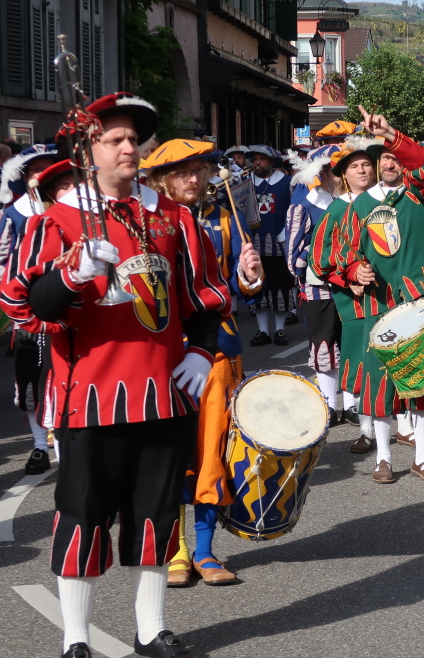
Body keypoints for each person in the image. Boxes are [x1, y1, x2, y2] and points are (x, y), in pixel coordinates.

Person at [0, 93, 229, 658]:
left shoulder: (173, 217)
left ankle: (150, 630)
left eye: (134, 139)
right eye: (115, 140)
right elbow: (30, 306)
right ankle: (75, 637)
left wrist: (200, 351)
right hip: (91, 395)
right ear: (87, 149)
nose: (129, 148)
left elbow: (202, 297)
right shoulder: (56, 220)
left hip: (164, 392)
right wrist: (75, 274)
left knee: (155, 513)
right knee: (83, 512)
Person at [142, 139, 263, 588]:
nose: (194, 179)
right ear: (160, 178)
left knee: (213, 453)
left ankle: (207, 550)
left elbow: (236, 288)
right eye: (183, 171)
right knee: (170, 455)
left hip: (218, 352)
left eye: (201, 169)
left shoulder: (225, 221)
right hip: (164, 356)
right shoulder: (145, 223)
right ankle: (174, 550)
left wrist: (250, 278)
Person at [331, 108, 424, 483]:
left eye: (396, 157)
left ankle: (421, 456)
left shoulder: (421, 193)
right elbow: (344, 252)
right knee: (379, 381)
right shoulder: (359, 206)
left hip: (417, 299)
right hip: (377, 302)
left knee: (423, 378)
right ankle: (383, 458)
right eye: (383, 158)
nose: (390, 163)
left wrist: (393, 134)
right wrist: (354, 270)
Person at [0, 144, 59, 470]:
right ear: (25, 177)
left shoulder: (72, 211)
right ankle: (40, 444)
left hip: (73, 313)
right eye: (35, 170)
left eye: (48, 169)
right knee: (32, 380)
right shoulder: (9, 217)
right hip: (29, 317)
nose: (42, 175)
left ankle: (67, 447)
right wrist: (25, 300)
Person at [285, 142, 368, 446]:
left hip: (350, 284)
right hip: (317, 284)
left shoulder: (353, 201)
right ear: (321, 171)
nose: (336, 173)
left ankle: (351, 405)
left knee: (350, 342)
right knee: (323, 343)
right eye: (331, 168)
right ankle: (328, 405)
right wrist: (319, 259)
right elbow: (291, 254)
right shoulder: (304, 204)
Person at [246, 144, 294, 346]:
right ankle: (263, 330)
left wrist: (287, 230)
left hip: (278, 244)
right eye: (255, 159)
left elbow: (295, 209)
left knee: (279, 287)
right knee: (258, 287)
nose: (257, 163)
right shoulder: (246, 183)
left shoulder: (288, 182)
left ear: (272, 162)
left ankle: (280, 330)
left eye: (262, 159)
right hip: (253, 244)